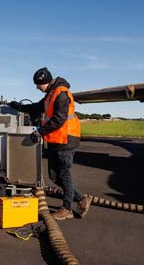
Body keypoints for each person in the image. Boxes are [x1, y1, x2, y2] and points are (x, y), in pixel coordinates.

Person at [8, 67, 91, 220]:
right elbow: (36, 107)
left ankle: (67, 209)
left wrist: (39, 132)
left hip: (66, 139)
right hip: (55, 139)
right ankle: (80, 198)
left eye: (37, 84)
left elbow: (59, 119)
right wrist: (18, 107)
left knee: (64, 174)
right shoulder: (50, 94)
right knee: (54, 176)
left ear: (44, 81)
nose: (37, 87)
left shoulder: (61, 93)